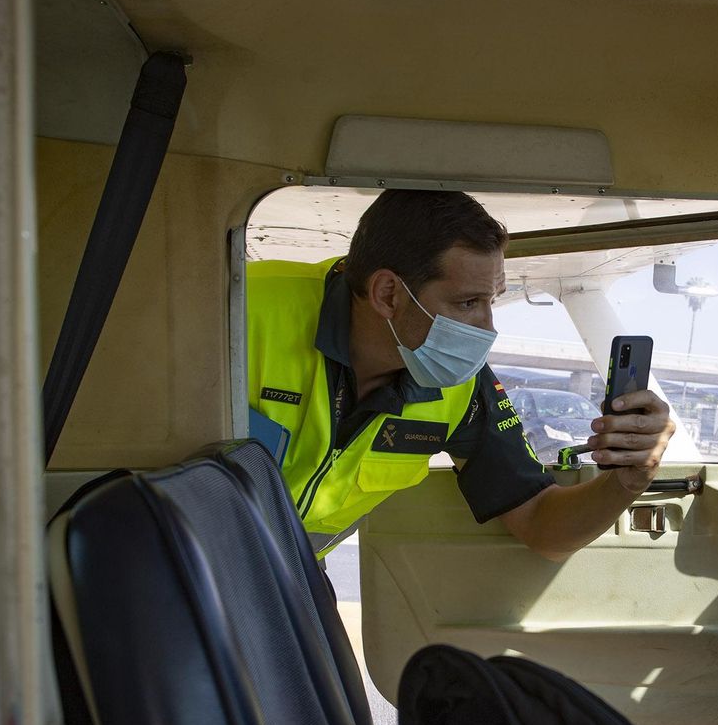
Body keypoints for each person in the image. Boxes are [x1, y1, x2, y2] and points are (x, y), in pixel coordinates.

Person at [246, 190, 676, 560]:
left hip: (291, 575)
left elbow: (540, 523)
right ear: (388, 293)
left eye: (492, 300)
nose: (488, 329)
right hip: (188, 559)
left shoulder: (462, 386)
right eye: (468, 303)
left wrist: (625, 481)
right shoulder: (239, 311)